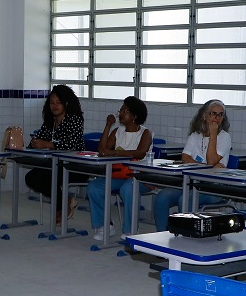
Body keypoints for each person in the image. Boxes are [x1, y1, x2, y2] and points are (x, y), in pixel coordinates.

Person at [153, 100, 232, 232]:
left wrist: (213, 135)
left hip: (214, 188)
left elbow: (211, 160)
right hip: (191, 183)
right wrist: (206, 166)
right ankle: (161, 234)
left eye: (220, 115)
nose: (217, 118)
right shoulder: (195, 136)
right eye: (213, 114)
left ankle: (186, 235)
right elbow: (185, 158)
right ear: (204, 115)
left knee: (184, 199)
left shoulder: (224, 137)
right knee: (162, 197)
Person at [86, 97, 152, 240]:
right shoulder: (117, 131)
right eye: (120, 110)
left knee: (128, 188)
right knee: (94, 187)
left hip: (141, 177)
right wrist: (108, 126)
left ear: (134, 116)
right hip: (119, 176)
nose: (120, 113)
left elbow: (140, 153)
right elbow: (102, 150)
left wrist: (116, 153)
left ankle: (130, 230)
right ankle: (105, 226)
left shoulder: (145, 133)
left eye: (124, 111)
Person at [24, 85, 87, 222]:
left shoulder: (75, 120)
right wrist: (35, 143)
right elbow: (38, 139)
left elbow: (70, 145)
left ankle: (62, 207)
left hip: (75, 166)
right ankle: (65, 202)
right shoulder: (50, 121)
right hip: (55, 164)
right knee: (31, 178)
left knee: (47, 178)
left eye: (59, 102)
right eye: (52, 103)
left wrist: (47, 144)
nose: (55, 106)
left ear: (66, 103)